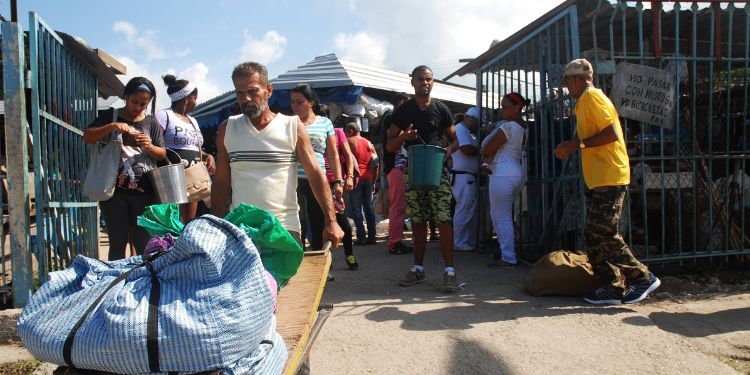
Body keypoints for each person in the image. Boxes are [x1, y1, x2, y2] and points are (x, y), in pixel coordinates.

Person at [555, 58, 660, 305]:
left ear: (577, 79)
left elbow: (611, 133)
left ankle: (641, 277)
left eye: (567, 81)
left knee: (603, 231)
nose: (567, 87)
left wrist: (575, 145)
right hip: (600, 177)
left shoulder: (592, 97)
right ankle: (611, 286)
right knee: (592, 233)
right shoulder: (584, 101)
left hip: (610, 175)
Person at [212, 62, 343, 251]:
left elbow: (315, 174)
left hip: (284, 229)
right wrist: (216, 223)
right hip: (241, 231)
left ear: (269, 90)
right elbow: (222, 181)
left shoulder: (292, 126)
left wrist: (331, 221)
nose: (246, 99)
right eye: (240, 93)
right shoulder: (227, 128)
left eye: (253, 91)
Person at [387, 65, 459, 292]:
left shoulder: (441, 109)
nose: (424, 83)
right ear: (413, 82)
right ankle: (418, 269)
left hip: (438, 172)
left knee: (443, 219)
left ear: (433, 82)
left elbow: (456, 141)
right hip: (414, 171)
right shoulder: (404, 111)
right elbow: (389, 145)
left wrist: (448, 152)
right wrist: (404, 137)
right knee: (418, 220)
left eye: (428, 79)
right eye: (420, 79)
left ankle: (449, 271)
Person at [83, 77, 166, 260]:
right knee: (117, 242)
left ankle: (142, 284)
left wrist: (149, 146)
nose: (138, 107)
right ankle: (117, 284)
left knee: (144, 243)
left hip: (145, 192)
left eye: (143, 104)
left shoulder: (151, 123)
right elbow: (87, 136)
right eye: (134, 102)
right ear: (126, 96)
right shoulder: (111, 116)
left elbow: (162, 153)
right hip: (114, 192)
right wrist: (112, 127)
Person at [290, 84, 344, 251]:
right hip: (294, 180)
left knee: (319, 221)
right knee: (299, 222)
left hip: (318, 179)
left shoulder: (325, 123)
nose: (294, 106)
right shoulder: (289, 123)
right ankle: (298, 263)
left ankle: (322, 263)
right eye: (292, 102)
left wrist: (338, 181)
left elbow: (333, 154)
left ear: (311, 102)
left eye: (299, 102)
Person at [155, 74, 216, 223]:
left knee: (188, 222)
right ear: (187, 98)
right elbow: (155, 143)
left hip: (193, 177)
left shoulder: (193, 121)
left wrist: (207, 156)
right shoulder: (164, 116)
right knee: (171, 221)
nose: (196, 102)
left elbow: (195, 148)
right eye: (195, 98)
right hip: (172, 177)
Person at [481, 94, 530, 267]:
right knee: (501, 215)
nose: (501, 110)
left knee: (501, 217)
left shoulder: (508, 126)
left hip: (503, 172)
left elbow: (486, 148)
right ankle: (505, 252)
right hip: (516, 172)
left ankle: (508, 257)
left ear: (516, 108)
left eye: (505, 107)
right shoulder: (524, 126)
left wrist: (485, 151)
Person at [325, 111, 359, 269]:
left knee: (343, 222)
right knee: (321, 224)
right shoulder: (305, 130)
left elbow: (348, 155)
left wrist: (349, 177)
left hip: (335, 183)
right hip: (318, 183)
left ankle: (349, 255)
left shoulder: (337, 132)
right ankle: (326, 262)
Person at [381, 93, 413, 255]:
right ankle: (394, 243)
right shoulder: (391, 119)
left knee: (400, 206)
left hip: (400, 168)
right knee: (398, 207)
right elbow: (391, 142)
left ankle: (396, 240)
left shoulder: (397, 119)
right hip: (396, 168)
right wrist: (406, 134)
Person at [450, 106, 481, 252]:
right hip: (463, 177)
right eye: (477, 122)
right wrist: (483, 150)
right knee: (464, 209)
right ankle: (459, 242)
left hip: (464, 176)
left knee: (467, 209)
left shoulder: (464, 130)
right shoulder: (461, 129)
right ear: (471, 119)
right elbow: (466, 149)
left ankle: (465, 241)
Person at [346, 122, 379, 245]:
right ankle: (372, 237)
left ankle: (361, 238)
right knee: (369, 209)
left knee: (357, 210)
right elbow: (376, 164)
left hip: (356, 179)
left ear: (350, 131)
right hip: (368, 178)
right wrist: (374, 181)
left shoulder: (349, 142)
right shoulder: (369, 143)